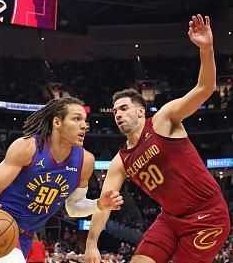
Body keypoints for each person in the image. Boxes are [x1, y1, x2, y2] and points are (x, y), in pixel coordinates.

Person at [84, 14, 230, 263]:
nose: (118, 114)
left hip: (207, 214)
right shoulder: (120, 161)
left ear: (141, 111)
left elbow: (205, 88)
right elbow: (104, 204)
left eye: (124, 108)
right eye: (115, 111)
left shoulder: (164, 120)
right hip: (170, 219)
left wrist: (206, 48)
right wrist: (91, 244)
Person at [0, 97, 124, 263]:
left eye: (85, 120)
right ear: (57, 122)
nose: (84, 125)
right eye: (77, 119)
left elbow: (73, 209)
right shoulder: (28, 147)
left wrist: (98, 204)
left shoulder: (86, 161)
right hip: (1, 226)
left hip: (27, 237)